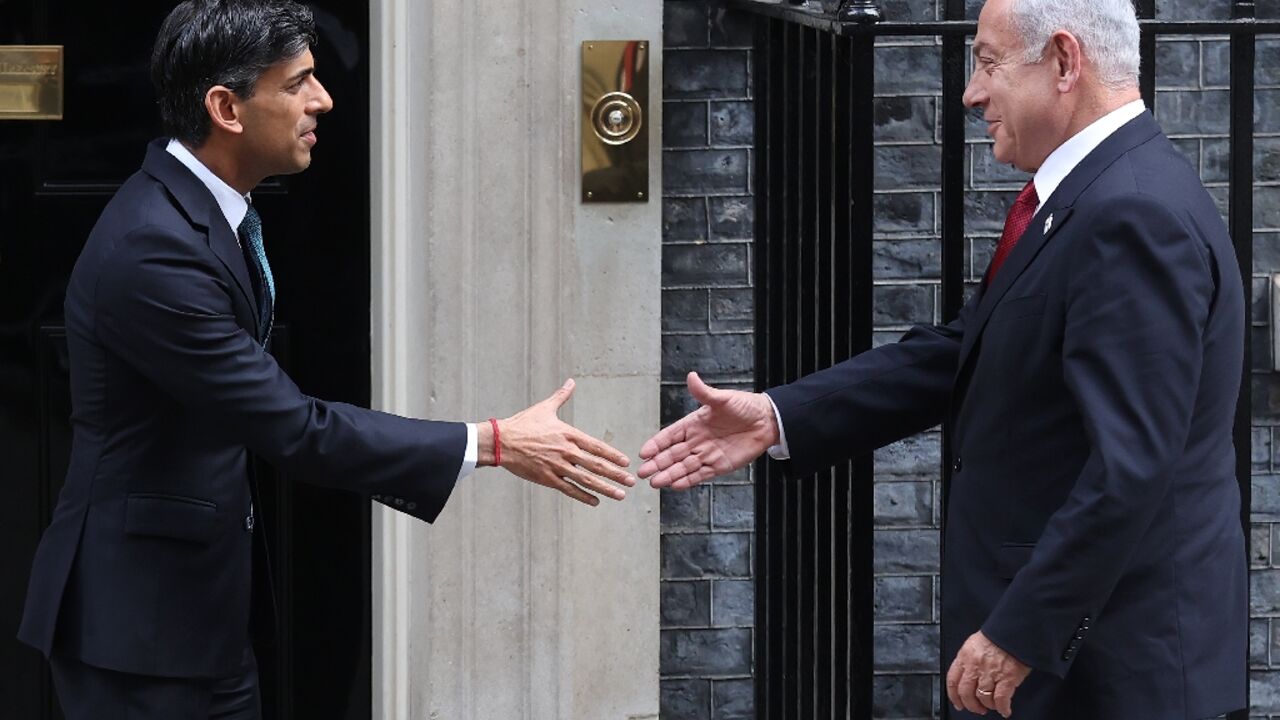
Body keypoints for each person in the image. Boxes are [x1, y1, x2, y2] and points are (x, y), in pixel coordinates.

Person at [16, 1, 634, 717]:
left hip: (190, 613)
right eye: (297, 83)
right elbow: (294, 428)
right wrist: (491, 443)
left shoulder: (204, 211)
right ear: (227, 108)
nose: (324, 99)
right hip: (139, 629)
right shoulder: (155, 251)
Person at [640, 0, 1246, 717]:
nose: (971, 91)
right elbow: (969, 347)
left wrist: (1020, 634)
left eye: (988, 63)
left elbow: (1131, 468)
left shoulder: (1131, 214)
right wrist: (779, 416)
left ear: (1063, 61)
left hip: (1112, 678)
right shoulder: (1093, 195)